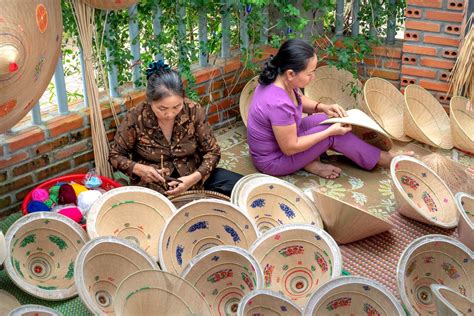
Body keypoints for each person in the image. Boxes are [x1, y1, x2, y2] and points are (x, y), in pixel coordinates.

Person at [247, 39, 412, 179]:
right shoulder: (277, 102)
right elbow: (290, 147)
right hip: (274, 161)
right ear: (291, 73)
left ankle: (309, 162)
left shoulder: (280, 78)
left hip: (284, 141)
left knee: (325, 119)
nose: (314, 77)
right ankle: (385, 159)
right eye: (310, 73)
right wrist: (328, 133)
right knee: (332, 135)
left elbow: (298, 99)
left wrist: (322, 107)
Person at [109, 60, 242, 196]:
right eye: (162, 108)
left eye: (176, 107)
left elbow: (213, 152)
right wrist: (139, 169)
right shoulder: (136, 117)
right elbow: (115, 155)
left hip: (194, 177)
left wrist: (193, 178)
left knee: (243, 188)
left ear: (183, 98)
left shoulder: (193, 110)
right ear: (150, 101)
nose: (170, 114)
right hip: (154, 185)